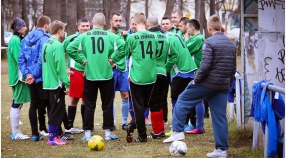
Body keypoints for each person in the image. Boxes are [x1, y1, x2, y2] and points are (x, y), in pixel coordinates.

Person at [163, 15, 236, 158]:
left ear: (209, 28)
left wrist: (196, 80)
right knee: (220, 116)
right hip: (222, 84)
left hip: (207, 82)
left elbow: (205, 65)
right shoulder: (231, 44)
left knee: (183, 99)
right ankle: (221, 150)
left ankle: (177, 132)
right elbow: (233, 68)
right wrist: (229, 83)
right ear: (220, 27)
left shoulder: (209, 42)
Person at [67, 13, 122, 141]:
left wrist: (82, 60)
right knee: (107, 104)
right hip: (106, 75)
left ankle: (87, 134)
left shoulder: (84, 36)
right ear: (104, 23)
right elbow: (123, 47)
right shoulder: (111, 36)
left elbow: (70, 48)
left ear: (92, 22)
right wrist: (113, 59)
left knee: (89, 105)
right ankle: (108, 133)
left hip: (90, 75)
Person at [110, 12, 158, 143]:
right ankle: (132, 127)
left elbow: (125, 52)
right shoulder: (154, 36)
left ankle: (141, 135)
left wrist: (112, 58)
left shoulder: (132, 38)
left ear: (135, 24)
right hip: (151, 76)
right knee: (144, 105)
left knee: (138, 106)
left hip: (137, 76)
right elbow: (157, 52)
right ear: (146, 23)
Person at [19, 15, 51, 141]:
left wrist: (27, 74)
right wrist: (34, 75)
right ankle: (52, 130)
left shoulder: (25, 39)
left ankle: (35, 134)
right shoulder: (45, 39)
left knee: (34, 104)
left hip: (31, 78)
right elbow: (41, 59)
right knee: (47, 103)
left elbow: (21, 59)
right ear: (46, 25)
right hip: (41, 77)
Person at [146, 16, 178, 139]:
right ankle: (161, 129)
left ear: (148, 24)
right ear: (158, 24)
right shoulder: (166, 37)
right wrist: (166, 67)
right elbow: (174, 55)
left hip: (151, 73)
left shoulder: (148, 37)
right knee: (161, 100)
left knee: (153, 102)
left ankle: (157, 131)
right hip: (163, 73)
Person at [41, 20, 69, 146]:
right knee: (56, 110)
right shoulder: (58, 45)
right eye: (63, 30)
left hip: (47, 81)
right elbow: (60, 68)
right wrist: (66, 83)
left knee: (53, 108)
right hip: (55, 83)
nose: (64, 32)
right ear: (59, 31)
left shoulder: (46, 43)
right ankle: (52, 138)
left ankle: (56, 135)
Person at [62, 17, 91, 134]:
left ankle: (86, 126)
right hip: (76, 72)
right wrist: (64, 68)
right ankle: (69, 126)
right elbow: (59, 52)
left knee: (86, 99)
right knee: (74, 99)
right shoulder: (70, 39)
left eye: (87, 26)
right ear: (78, 27)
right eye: (83, 26)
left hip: (89, 72)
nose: (85, 28)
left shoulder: (91, 38)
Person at [8, 17, 30, 140]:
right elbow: (19, 59)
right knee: (17, 102)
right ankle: (15, 132)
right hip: (19, 77)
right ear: (18, 28)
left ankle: (15, 131)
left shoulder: (16, 39)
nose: (26, 28)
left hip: (18, 76)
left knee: (18, 102)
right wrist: (28, 74)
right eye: (24, 26)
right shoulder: (15, 41)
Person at [108, 13, 130, 130]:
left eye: (120, 21)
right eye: (116, 20)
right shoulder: (105, 35)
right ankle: (111, 123)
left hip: (122, 69)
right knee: (110, 97)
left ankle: (124, 122)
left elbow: (127, 52)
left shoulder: (124, 36)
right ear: (110, 20)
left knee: (125, 96)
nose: (118, 23)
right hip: (110, 69)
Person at [184, 18, 205, 134]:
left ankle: (199, 126)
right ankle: (197, 125)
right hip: (199, 72)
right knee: (197, 99)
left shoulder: (198, 39)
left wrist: (186, 40)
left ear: (192, 28)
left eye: (187, 28)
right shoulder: (198, 38)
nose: (187, 31)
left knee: (198, 100)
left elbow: (186, 51)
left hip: (199, 73)